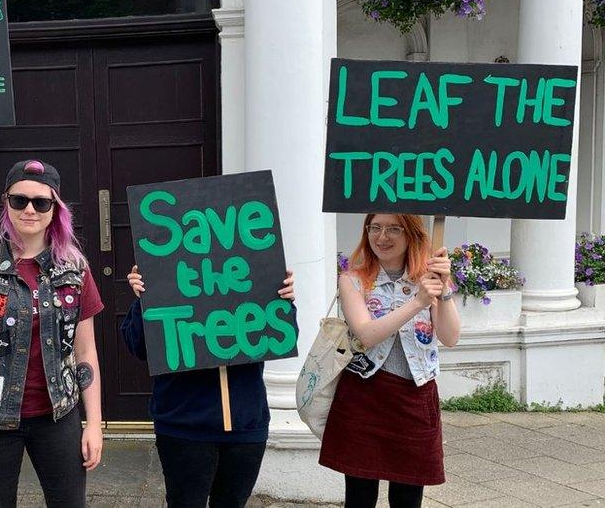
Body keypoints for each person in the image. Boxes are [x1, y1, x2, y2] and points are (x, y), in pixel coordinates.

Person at [0, 159, 104, 507]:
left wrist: (95, 424)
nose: (29, 209)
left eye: (41, 202)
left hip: (56, 414)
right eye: (19, 200)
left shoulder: (74, 269)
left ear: (55, 209)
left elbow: (86, 352)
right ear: (6, 202)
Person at [122, 265, 296, 508]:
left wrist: (280, 300)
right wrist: (146, 301)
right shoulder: (163, 272)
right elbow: (138, 346)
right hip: (183, 425)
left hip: (245, 424)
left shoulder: (249, 269)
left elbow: (281, 338)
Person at [320, 214, 461, 508]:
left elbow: (450, 337)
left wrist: (443, 290)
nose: (382, 237)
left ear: (411, 233)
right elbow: (366, 334)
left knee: (408, 498)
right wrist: (417, 303)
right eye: (375, 228)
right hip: (364, 397)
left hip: (414, 399)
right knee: (359, 497)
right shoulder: (353, 280)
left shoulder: (429, 280)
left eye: (393, 229)